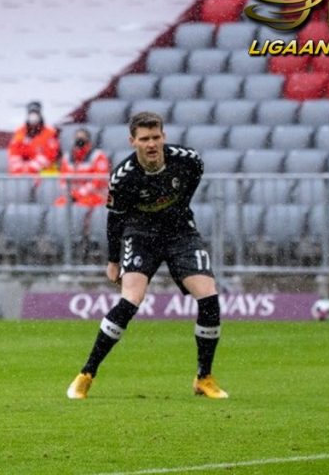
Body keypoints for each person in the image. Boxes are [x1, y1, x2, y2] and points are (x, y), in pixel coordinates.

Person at [66, 111, 228, 401]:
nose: (151, 144)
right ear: (133, 141)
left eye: (156, 137)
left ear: (163, 137)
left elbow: (190, 185)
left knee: (209, 298)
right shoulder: (123, 177)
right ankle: (86, 374)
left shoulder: (188, 159)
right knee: (130, 299)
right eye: (144, 139)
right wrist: (113, 260)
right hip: (140, 234)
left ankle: (204, 377)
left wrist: (174, 213)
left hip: (179, 232)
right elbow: (114, 220)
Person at [57, 127, 110, 207]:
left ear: (88, 139)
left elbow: (98, 180)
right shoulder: (67, 157)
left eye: (82, 137)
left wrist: (80, 193)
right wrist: (70, 193)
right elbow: (63, 179)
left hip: (95, 195)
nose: (79, 140)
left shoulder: (98, 156)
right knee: (59, 204)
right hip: (72, 196)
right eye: (77, 138)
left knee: (79, 206)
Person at [8, 101, 59, 174]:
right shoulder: (20, 132)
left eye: (35, 114)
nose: (33, 117)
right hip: (22, 175)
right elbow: (14, 151)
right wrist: (19, 167)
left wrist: (33, 166)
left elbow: (51, 154)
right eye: (31, 114)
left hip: (44, 173)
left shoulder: (49, 133)